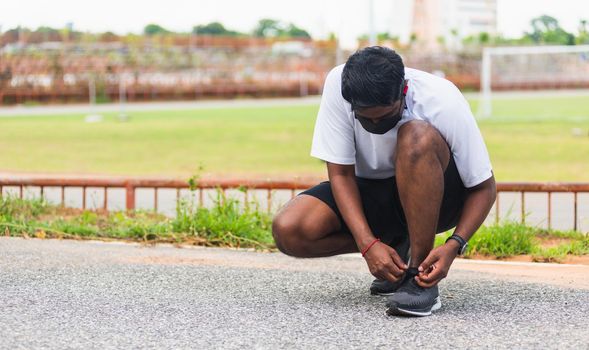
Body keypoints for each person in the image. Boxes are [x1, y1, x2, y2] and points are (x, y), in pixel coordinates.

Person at [272, 46, 496, 317]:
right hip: (374, 194)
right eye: (366, 119)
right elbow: (341, 174)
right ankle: (394, 243)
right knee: (290, 229)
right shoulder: (339, 84)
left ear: (403, 91)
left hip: (438, 201)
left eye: (386, 116)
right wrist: (368, 244)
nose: (376, 123)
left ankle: (418, 277)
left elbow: (484, 188)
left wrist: (454, 244)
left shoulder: (442, 98)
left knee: (415, 136)